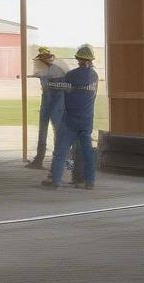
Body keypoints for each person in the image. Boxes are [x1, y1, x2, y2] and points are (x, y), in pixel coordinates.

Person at [41, 44, 100, 191]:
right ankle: (89, 182)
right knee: (87, 154)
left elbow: (63, 87)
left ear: (78, 59)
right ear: (91, 60)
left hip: (71, 121)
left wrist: (50, 83)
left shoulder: (72, 75)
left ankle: (56, 180)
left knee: (61, 152)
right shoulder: (95, 76)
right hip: (87, 121)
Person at [26, 46, 68, 170]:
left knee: (57, 128)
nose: (40, 61)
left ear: (47, 57)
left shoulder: (58, 67)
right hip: (47, 98)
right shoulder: (44, 67)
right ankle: (39, 159)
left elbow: (63, 83)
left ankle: (58, 159)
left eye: (42, 58)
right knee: (43, 128)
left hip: (57, 99)